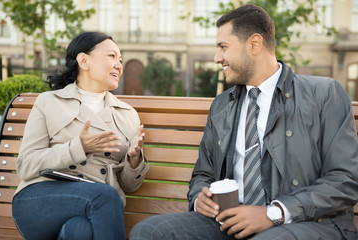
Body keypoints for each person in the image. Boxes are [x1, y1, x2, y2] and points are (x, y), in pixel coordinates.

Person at [129, 4, 358, 240]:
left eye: (223, 47)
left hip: (307, 221)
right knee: (148, 232)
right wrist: (200, 198)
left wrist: (273, 213)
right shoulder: (222, 105)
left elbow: (346, 179)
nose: (217, 58)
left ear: (254, 44)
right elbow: (203, 174)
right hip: (230, 221)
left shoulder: (324, 94)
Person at [12, 31, 149, 240]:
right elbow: (26, 166)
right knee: (105, 196)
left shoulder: (127, 114)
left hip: (96, 207)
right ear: (84, 60)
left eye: (120, 60)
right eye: (112, 56)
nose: (119, 65)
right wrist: (78, 148)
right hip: (40, 199)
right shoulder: (49, 102)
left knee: (79, 230)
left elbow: (129, 186)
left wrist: (133, 159)